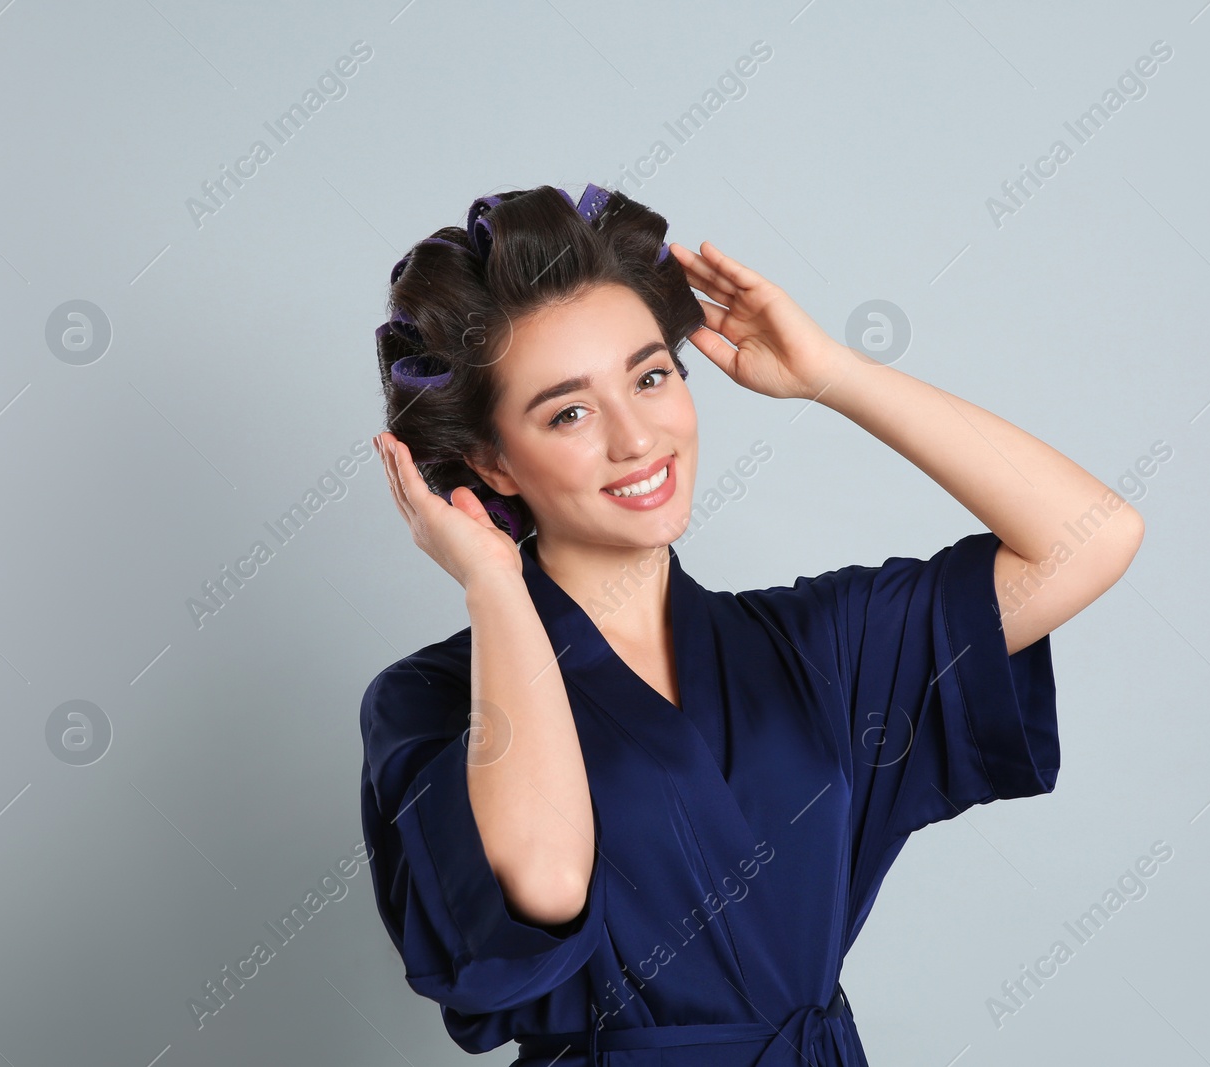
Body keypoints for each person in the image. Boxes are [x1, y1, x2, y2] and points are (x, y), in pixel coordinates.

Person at [359, 183, 1144, 1066]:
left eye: (652, 376)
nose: (636, 438)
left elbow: (1092, 537)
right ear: (493, 463)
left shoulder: (816, 645)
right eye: (569, 411)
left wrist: (833, 375)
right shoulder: (429, 701)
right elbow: (544, 880)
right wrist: (494, 586)